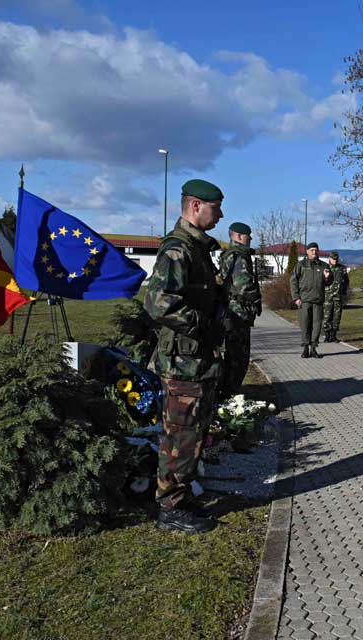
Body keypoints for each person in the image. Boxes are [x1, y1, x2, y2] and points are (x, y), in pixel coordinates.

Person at [143, 179, 225, 534]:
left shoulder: (198, 248)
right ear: (195, 206)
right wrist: (201, 326)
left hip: (196, 361)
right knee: (180, 435)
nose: (220, 214)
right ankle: (170, 508)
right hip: (182, 362)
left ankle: (180, 496)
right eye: (215, 207)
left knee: (192, 432)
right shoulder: (178, 249)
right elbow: (158, 301)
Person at [217, 221, 262, 398]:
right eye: (248, 237)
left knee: (233, 354)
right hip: (238, 313)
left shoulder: (230, 254)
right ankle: (230, 394)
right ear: (239, 236)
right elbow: (244, 286)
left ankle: (228, 391)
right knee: (238, 356)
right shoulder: (239, 256)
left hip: (232, 310)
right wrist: (256, 299)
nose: (250, 239)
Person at [291, 242, 326, 358]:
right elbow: (293, 281)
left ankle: (314, 349)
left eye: (316, 250)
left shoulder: (323, 266)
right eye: (312, 250)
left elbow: (328, 282)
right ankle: (305, 348)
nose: (314, 252)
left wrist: (328, 277)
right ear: (307, 251)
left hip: (318, 301)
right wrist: (296, 297)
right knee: (305, 325)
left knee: (316, 326)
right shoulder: (301, 265)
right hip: (304, 300)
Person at [322, 251, 350, 343]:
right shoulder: (325, 268)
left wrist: (344, 292)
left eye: (336, 259)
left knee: (337, 317)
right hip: (327, 296)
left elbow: (346, 281)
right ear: (329, 258)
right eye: (333, 259)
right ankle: (327, 335)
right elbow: (321, 281)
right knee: (327, 316)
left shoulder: (342, 268)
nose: (335, 260)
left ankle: (334, 335)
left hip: (338, 296)